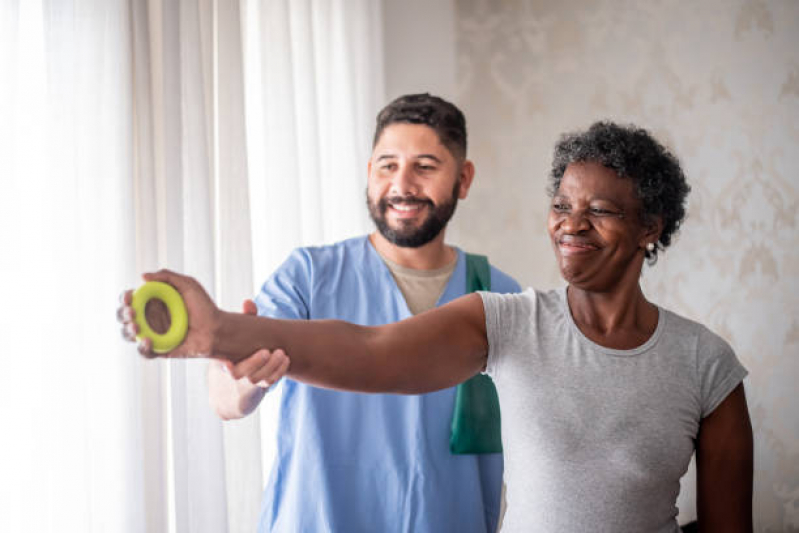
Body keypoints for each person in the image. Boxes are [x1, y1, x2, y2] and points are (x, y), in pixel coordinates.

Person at [119, 121, 753, 532]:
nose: (571, 223)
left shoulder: (706, 365)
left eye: (601, 210)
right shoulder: (505, 320)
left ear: (652, 228)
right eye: (561, 206)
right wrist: (216, 332)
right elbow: (369, 350)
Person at [146, 93, 520, 532]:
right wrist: (244, 378)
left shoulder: (499, 295)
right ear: (368, 174)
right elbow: (225, 397)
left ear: (463, 178)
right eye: (387, 165)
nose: (402, 185)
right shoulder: (307, 276)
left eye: (425, 166)